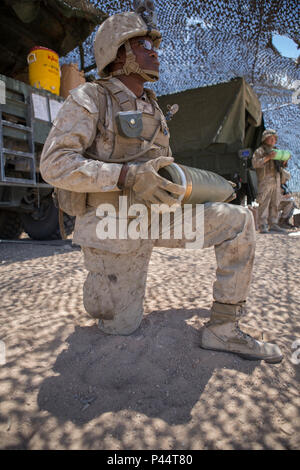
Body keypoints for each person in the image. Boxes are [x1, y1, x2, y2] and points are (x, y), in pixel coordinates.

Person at [40, 3, 283, 363]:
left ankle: (224, 329)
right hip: (114, 224)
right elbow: (54, 164)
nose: (155, 53)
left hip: (159, 219)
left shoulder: (154, 109)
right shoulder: (90, 99)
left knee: (238, 221)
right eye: (144, 46)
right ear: (119, 53)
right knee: (118, 325)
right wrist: (125, 175)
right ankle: (105, 290)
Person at [252, 129, 287, 234]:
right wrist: (268, 157)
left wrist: (284, 161)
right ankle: (262, 224)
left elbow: (280, 165)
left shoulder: (276, 151)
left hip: (276, 178)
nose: (272, 140)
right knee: (264, 202)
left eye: (274, 138)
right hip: (265, 179)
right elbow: (255, 163)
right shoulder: (260, 151)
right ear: (265, 139)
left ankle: (274, 223)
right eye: (270, 138)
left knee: (275, 201)